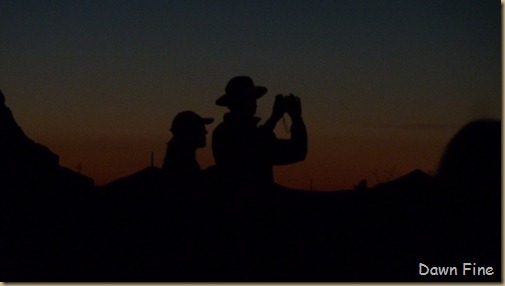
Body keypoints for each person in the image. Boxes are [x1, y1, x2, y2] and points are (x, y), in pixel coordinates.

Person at [212, 76, 307, 190]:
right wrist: (294, 118)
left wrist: (277, 118)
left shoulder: (221, 132)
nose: (254, 104)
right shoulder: (227, 134)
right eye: (250, 99)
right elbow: (296, 151)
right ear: (238, 102)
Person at [162, 111, 214, 189]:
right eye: (200, 128)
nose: (205, 132)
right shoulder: (181, 162)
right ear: (189, 132)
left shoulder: (177, 158)